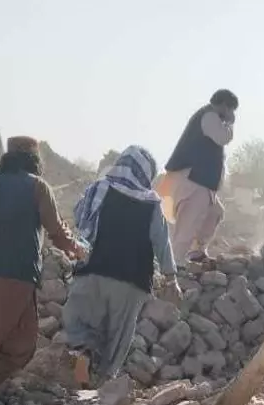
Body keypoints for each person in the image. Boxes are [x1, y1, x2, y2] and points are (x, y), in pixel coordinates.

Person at [0, 137, 85, 397]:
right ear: (34, 160)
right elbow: (56, 229)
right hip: (17, 275)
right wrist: (76, 248)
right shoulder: (38, 187)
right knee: (22, 344)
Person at [66, 146, 180, 387]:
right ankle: (105, 380)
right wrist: (171, 277)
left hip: (93, 269)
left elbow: (79, 218)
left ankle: (84, 352)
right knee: (119, 334)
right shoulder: (151, 204)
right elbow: (162, 242)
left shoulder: (100, 188)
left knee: (81, 320)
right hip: (132, 280)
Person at [162, 89, 238, 265]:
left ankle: (196, 252)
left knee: (215, 213)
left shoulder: (210, 118)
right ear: (224, 105)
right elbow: (222, 138)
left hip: (201, 182)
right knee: (188, 224)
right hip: (193, 180)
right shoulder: (209, 117)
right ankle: (175, 265)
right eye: (231, 109)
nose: (231, 114)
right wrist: (230, 124)